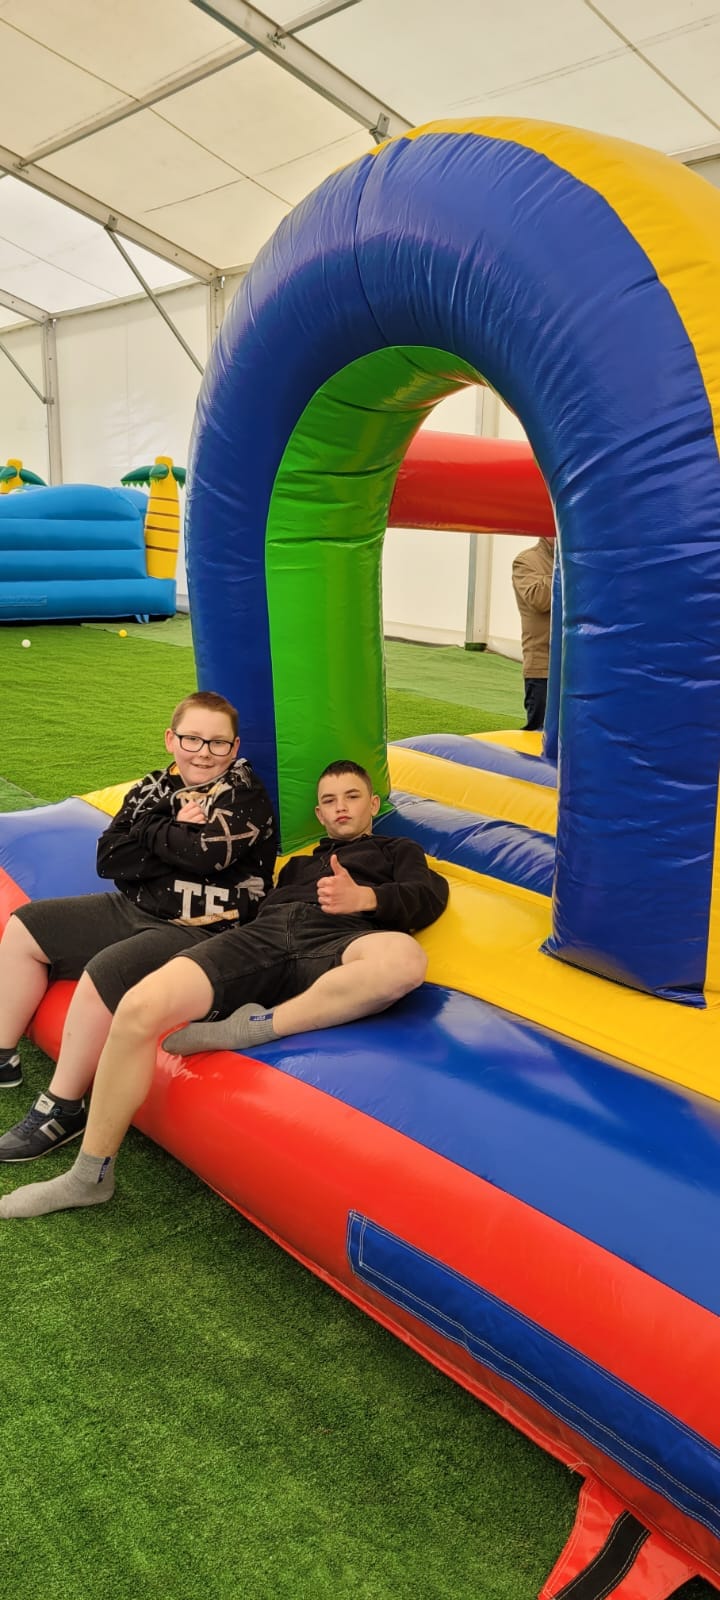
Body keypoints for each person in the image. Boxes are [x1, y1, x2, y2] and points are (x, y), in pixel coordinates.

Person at [0, 760, 449, 1219]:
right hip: (262, 939)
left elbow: (429, 895)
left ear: (372, 803)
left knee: (403, 961)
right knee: (137, 1007)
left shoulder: (397, 850)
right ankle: (88, 1176)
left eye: (352, 797)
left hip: (339, 940)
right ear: (319, 814)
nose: (341, 808)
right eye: (329, 801)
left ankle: (253, 1027)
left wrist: (366, 898)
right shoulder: (297, 865)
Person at [0, 691, 277, 1162]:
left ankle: (64, 1106)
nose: (203, 752)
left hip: (203, 928)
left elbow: (206, 856)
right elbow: (110, 857)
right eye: (191, 739)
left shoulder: (244, 794)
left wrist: (149, 829)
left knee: (106, 971)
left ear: (233, 748)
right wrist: (173, 826)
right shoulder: (154, 785)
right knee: (26, 926)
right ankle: (3, 1055)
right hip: (134, 906)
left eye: (217, 743)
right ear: (171, 739)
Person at [511, 536, 555, 731]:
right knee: (538, 733)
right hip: (542, 666)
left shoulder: (579, 558)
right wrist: (566, 569)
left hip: (575, 665)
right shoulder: (526, 561)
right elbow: (539, 599)